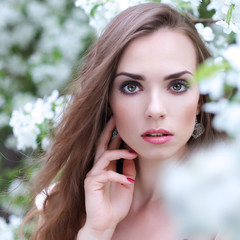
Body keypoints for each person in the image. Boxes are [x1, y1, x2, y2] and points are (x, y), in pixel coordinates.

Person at [23, 2, 224, 240]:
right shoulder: (61, 206)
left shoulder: (227, 212)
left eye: (177, 85)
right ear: (108, 100)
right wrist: (96, 231)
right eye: (131, 87)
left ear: (201, 97)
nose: (155, 109)